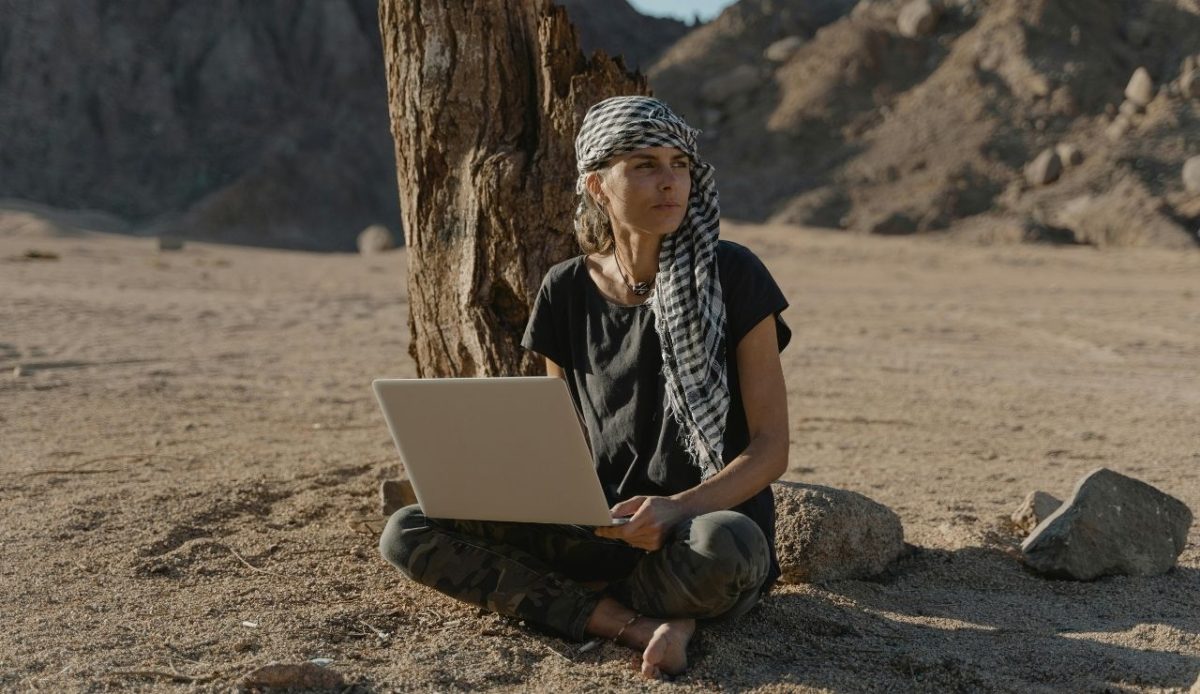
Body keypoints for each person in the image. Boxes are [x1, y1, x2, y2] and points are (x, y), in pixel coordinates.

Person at [379, 96, 791, 679]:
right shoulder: (565, 289)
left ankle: (589, 601)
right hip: (601, 527)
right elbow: (561, 436)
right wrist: (563, 509)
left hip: (698, 525)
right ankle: (639, 621)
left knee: (729, 547)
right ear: (598, 186)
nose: (669, 181)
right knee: (409, 530)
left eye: (679, 164)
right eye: (645, 165)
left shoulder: (735, 275)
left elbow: (771, 448)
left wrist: (676, 508)